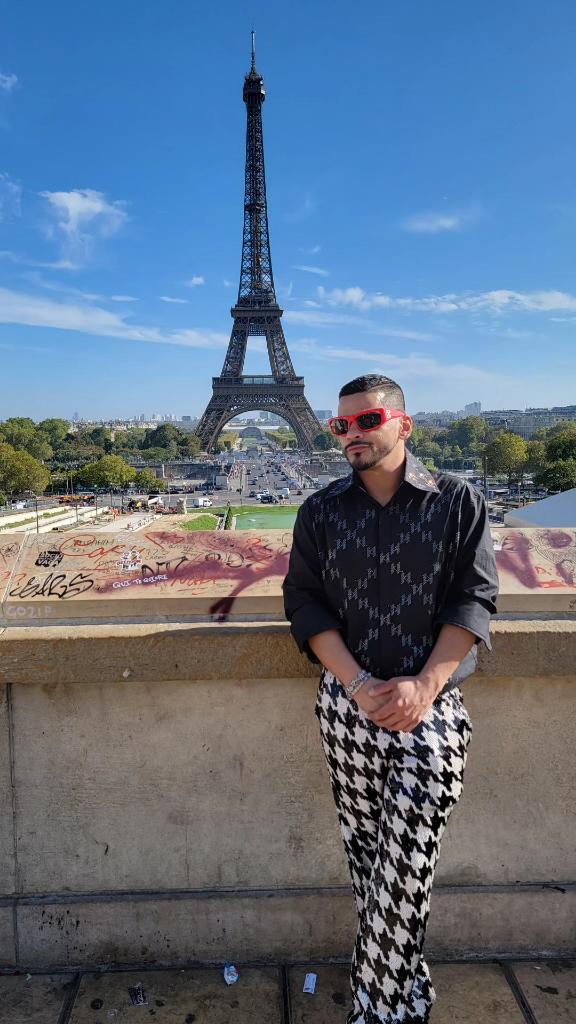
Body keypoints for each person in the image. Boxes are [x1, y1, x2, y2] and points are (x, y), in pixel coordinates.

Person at [282, 374, 499, 1024]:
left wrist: (425, 686)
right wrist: (356, 684)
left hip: (431, 712)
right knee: (373, 869)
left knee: (404, 865)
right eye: (340, 425)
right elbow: (304, 603)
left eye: (368, 420)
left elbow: (475, 599)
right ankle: (410, 997)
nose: (352, 433)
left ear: (404, 424)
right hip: (348, 707)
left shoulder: (457, 502)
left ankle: (374, 1013)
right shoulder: (319, 511)